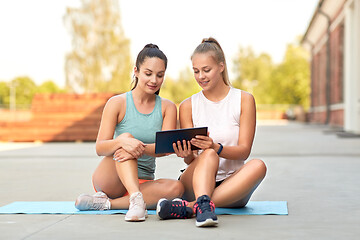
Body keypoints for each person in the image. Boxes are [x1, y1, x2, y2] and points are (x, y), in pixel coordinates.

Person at [156, 37, 267, 227]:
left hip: (232, 184)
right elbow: (191, 160)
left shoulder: (244, 100)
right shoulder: (187, 106)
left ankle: (192, 207)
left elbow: (244, 151)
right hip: (195, 180)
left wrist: (216, 147)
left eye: (206, 70)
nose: (201, 76)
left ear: (221, 66)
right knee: (208, 155)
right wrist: (187, 155)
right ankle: (201, 204)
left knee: (258, 165)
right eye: (196, 71)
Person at [75, 44, 184, 222]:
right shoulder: (116, 103)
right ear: (136, 71)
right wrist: (124, 143)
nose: (154, 80)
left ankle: (108, 204)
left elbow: (165, 149)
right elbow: (100, 147)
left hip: (144, 182)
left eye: (160, 75)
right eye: (148, 73)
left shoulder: (168, 107)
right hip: (111, 180)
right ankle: (136, 200)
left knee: (177, 188)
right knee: (125, 139)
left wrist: (138, 147)